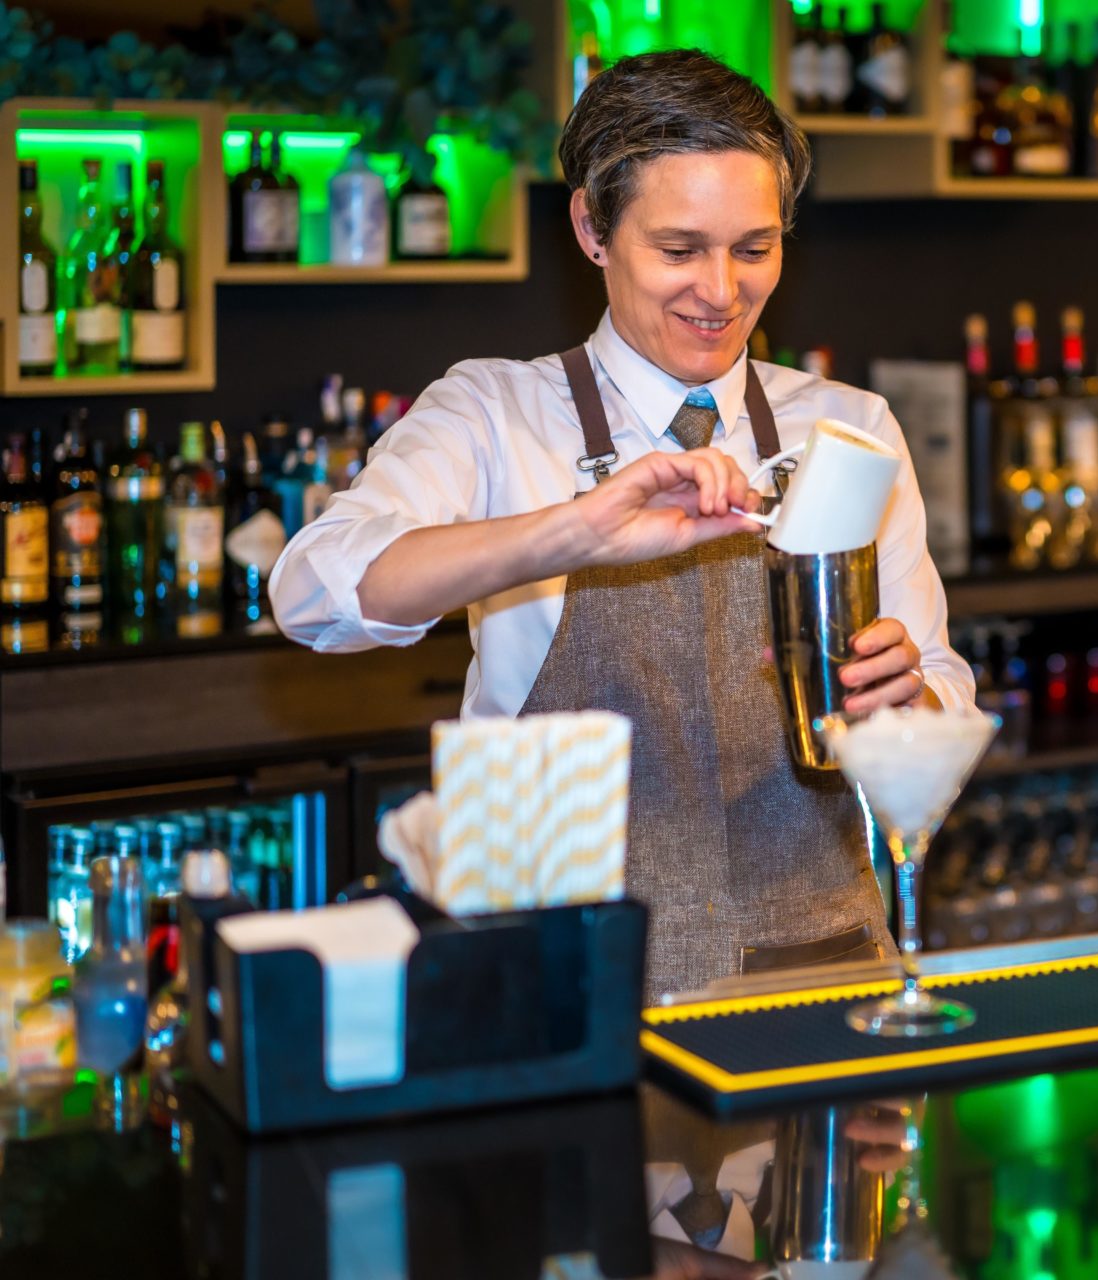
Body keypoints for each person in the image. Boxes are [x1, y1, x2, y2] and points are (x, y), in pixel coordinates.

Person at [271, 49, 974, 1001]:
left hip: (816, 978)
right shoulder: (494, 413)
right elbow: (314, 594)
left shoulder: (847, 429)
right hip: (557, 980)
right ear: (592, 229)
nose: (721, 292)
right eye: (679, 250)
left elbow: (940, 690)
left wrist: (905, 708)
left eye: (755, 248)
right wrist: (574, 531)